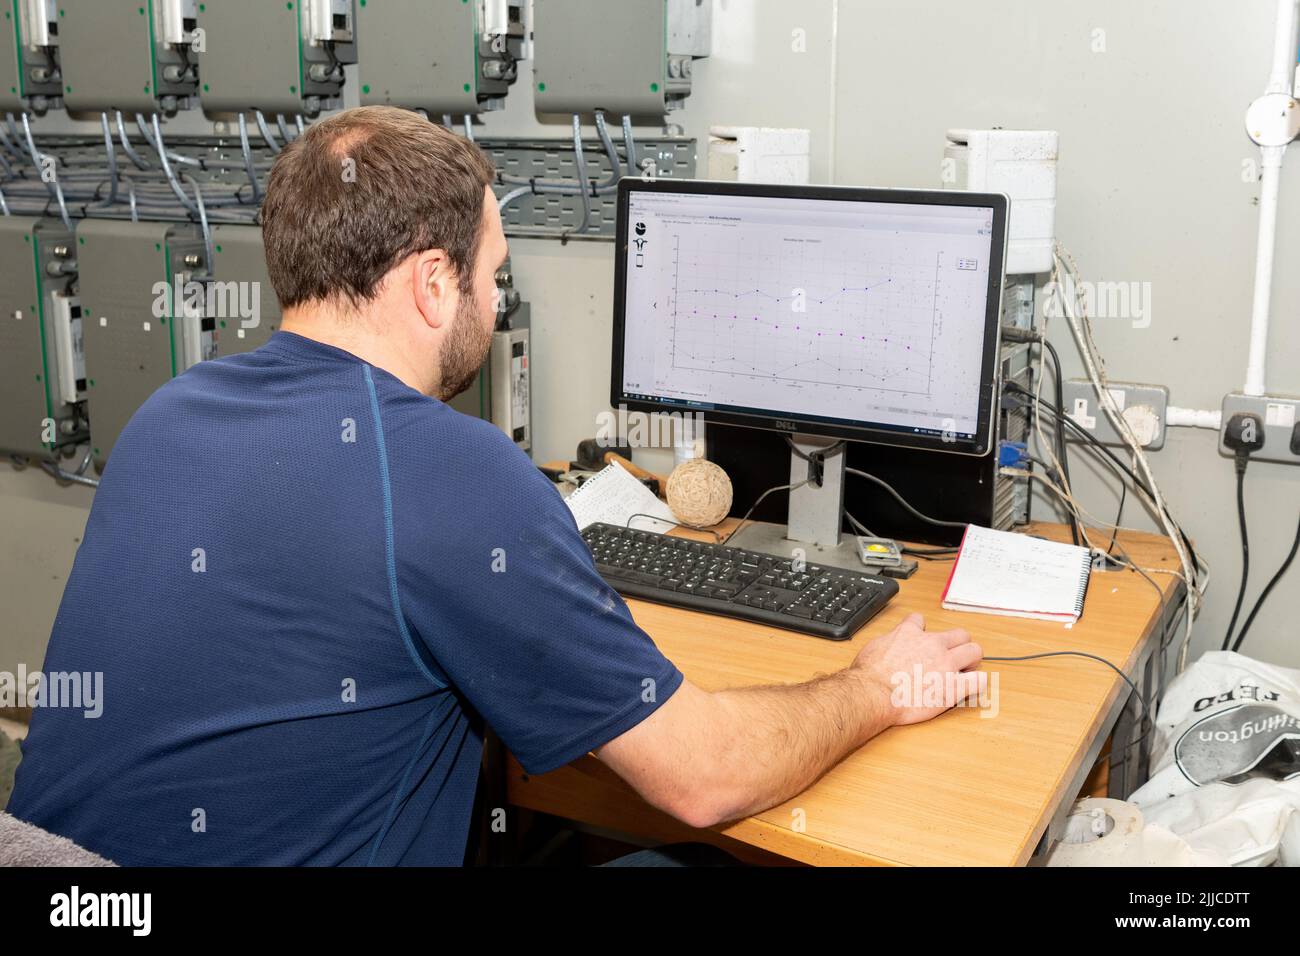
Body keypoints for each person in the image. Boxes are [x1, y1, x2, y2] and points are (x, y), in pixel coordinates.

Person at [9, 106, 985, 865]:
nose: (493, 299)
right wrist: (872, 686)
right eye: (491, 274)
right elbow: (703, 775)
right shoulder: (450, 468)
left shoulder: (169, 415)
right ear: (434, 284)